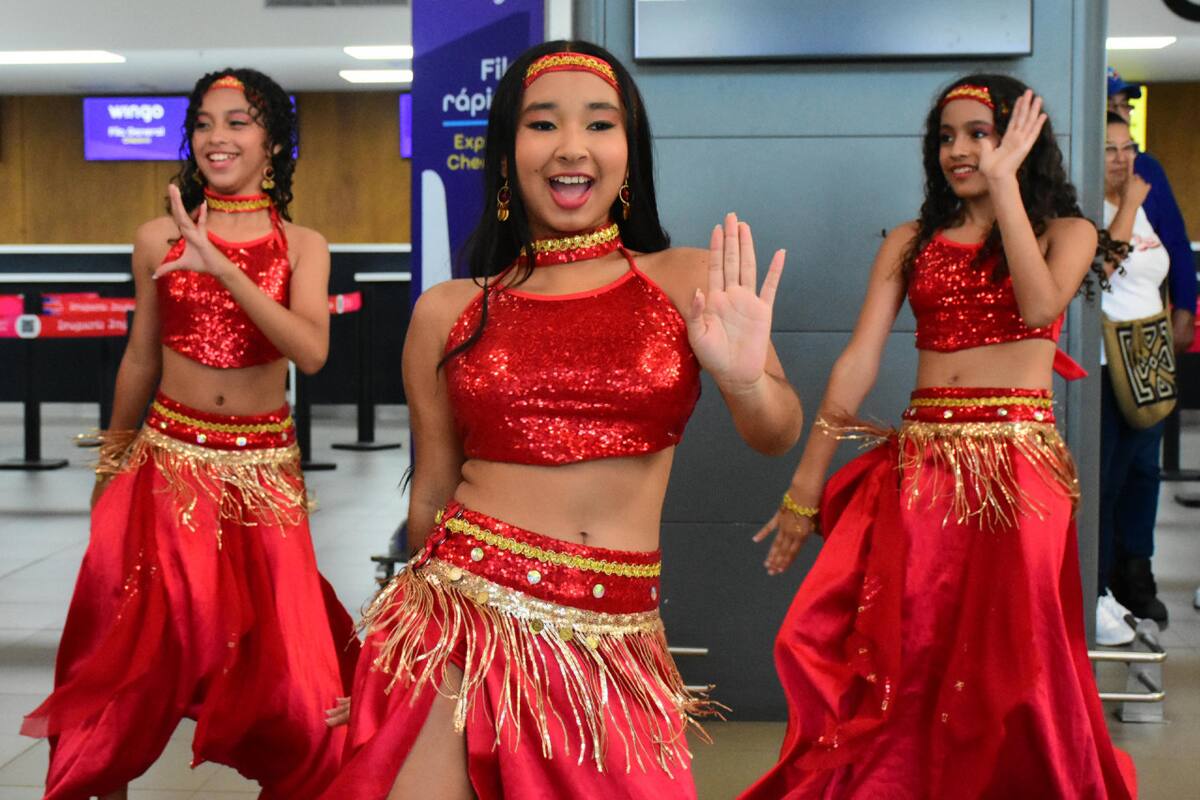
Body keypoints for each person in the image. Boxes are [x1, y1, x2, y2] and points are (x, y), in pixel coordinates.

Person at [322, 41, 802, 800]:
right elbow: (430, 500)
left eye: (599, 124)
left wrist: (745, 378)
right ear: (508, 154)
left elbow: (775, 432)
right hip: (457, 619)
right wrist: (391, 654)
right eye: (543, 124)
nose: (572, 147)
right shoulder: (449, 310)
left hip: (614, 639)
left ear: (628, 152)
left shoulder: (681, 280)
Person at [741, 76, 1135, 799]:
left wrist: (1005, 186)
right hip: (922, 471)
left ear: (1020, 139)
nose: (959, 150)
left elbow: (1040, 302)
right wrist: (805, 486)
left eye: (979, 133)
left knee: (1014, 663)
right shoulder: (911, 240)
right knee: (905, 654)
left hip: (1018, 472)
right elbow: (857, 363)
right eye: (947, 136)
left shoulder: (1068, 232)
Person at [22, 69, 358, 800]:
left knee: (294, 676)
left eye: (238, 122)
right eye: (205, 123)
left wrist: (224, 268)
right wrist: (112, 462)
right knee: (125, 656)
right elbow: (141, 355)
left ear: (272, 142)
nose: (217, 137)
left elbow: (310, 351)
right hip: (169, 465)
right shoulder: (155, 239)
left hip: (263, 478)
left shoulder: (304, 244)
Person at [1105, 67, 1194, 624]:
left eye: (1129, 140)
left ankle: (1135, 569)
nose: (1123, 154)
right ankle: (1101, 577)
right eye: (1115, 102)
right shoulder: (1079, 188)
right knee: (1110, 468)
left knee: (1144, 467)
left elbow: (1177, 248)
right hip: (1106, 352)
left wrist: (1184, 308)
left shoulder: (1151, 173)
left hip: (1150, 346)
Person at [1096, 111, 1171, 644]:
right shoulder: (1087, 209)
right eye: (1110, 149)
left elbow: (1154, 274)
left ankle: (1128, 579)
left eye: (1129, 147)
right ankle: (1095, 589)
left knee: (1140, 477)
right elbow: (1102, 265)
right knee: (1105, 482)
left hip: (1148, 358)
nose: (1123, 158)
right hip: (1106, 364)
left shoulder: (1140, 204)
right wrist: (1130, 205)